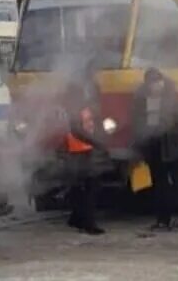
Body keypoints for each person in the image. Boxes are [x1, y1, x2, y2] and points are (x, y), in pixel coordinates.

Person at [131, 68, 178, 231]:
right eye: (151, 83)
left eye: (157, 83)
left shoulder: (173, 98)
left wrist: (173, 134)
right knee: (159, 186)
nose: (155, 87)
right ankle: (162, 220)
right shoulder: (141, 100)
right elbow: (137, 121)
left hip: (172, 146)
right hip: (154, 147)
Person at [62, 67, 107, 235]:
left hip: (84, 152)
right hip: (78, 153)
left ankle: (77, 218)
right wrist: (97, 142)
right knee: (89, 190)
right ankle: (89, 223)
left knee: (83, 189)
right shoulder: (76, 106)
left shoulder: (83, 106)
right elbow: (77, 130)